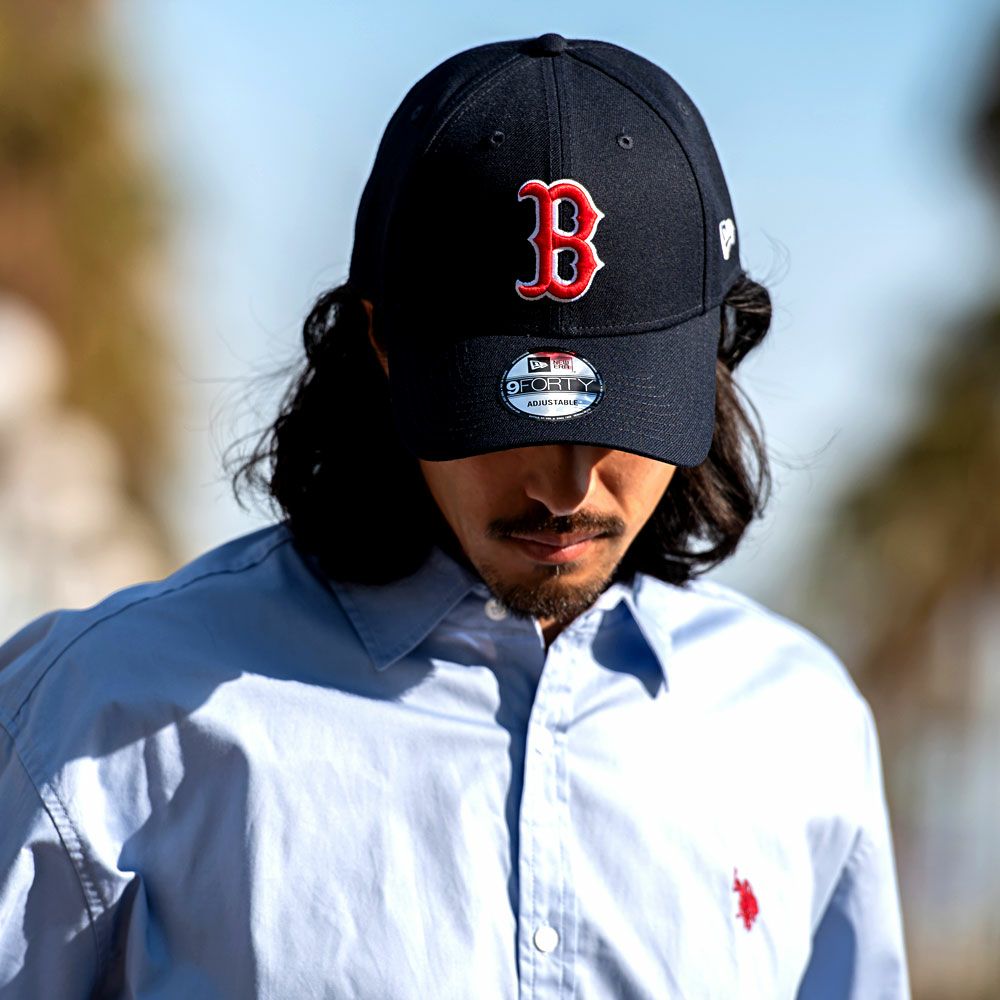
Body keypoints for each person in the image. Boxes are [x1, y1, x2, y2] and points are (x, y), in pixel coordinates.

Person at [0, 33, 909, 1000]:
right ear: (382, 342)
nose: (564, 491)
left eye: (623, 418)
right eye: (499, 416)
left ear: (713, 353)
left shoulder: (803, 730)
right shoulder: (92, 718)